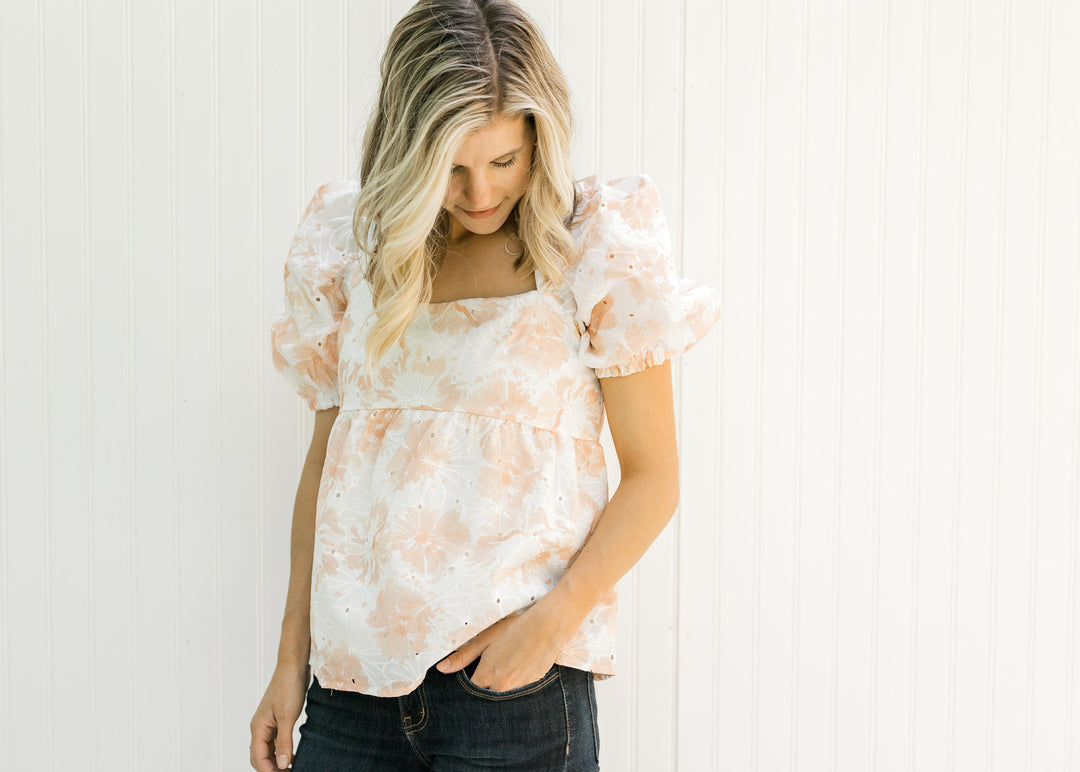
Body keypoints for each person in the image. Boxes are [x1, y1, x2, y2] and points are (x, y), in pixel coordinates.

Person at [250, 0, 721, 769]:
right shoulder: (350, 253)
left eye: (503, 161)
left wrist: (551, 625)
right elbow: (325, 471)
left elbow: (654, 477)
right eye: (452, 168)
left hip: (514, 694)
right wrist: (288, 665)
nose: (478, 194)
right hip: (350, 695)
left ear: (540, 137)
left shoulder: (595, 247)